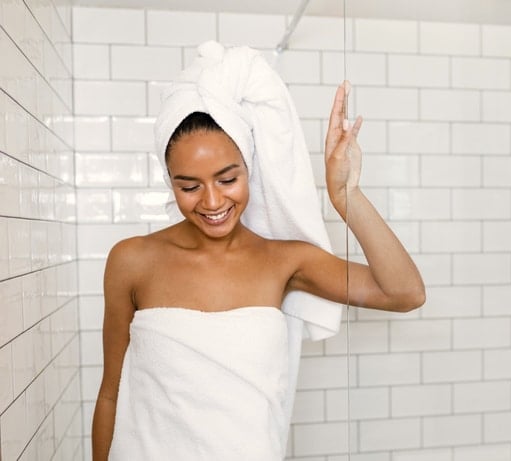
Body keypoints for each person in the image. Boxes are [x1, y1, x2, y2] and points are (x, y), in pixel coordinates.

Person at [91, 42, 424, 461]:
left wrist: (345, 196)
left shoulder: (283, 261)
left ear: (249, 166)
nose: (212, 202)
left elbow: (405, 293)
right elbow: (110, 394)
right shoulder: (131, 260)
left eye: (227, 179)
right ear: (169, 181)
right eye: (189, 186)